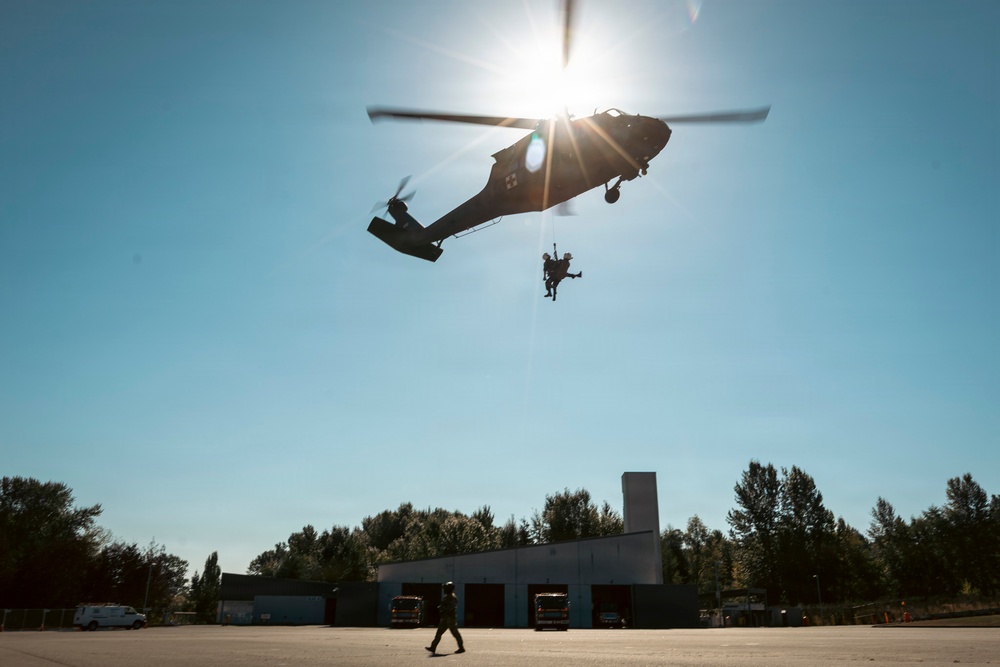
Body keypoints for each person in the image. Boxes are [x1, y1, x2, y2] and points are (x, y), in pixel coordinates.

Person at [426, 582, 465, 655]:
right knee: (438, 633)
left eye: (445, 589)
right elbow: (442, 606)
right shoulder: (446, 597)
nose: (444, 590)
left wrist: (442, 608)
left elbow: (450, 607)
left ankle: (461, 648)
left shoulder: (452, 597)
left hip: (450, 618)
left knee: (455, 633)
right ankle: (433, 647)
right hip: (444, 618)